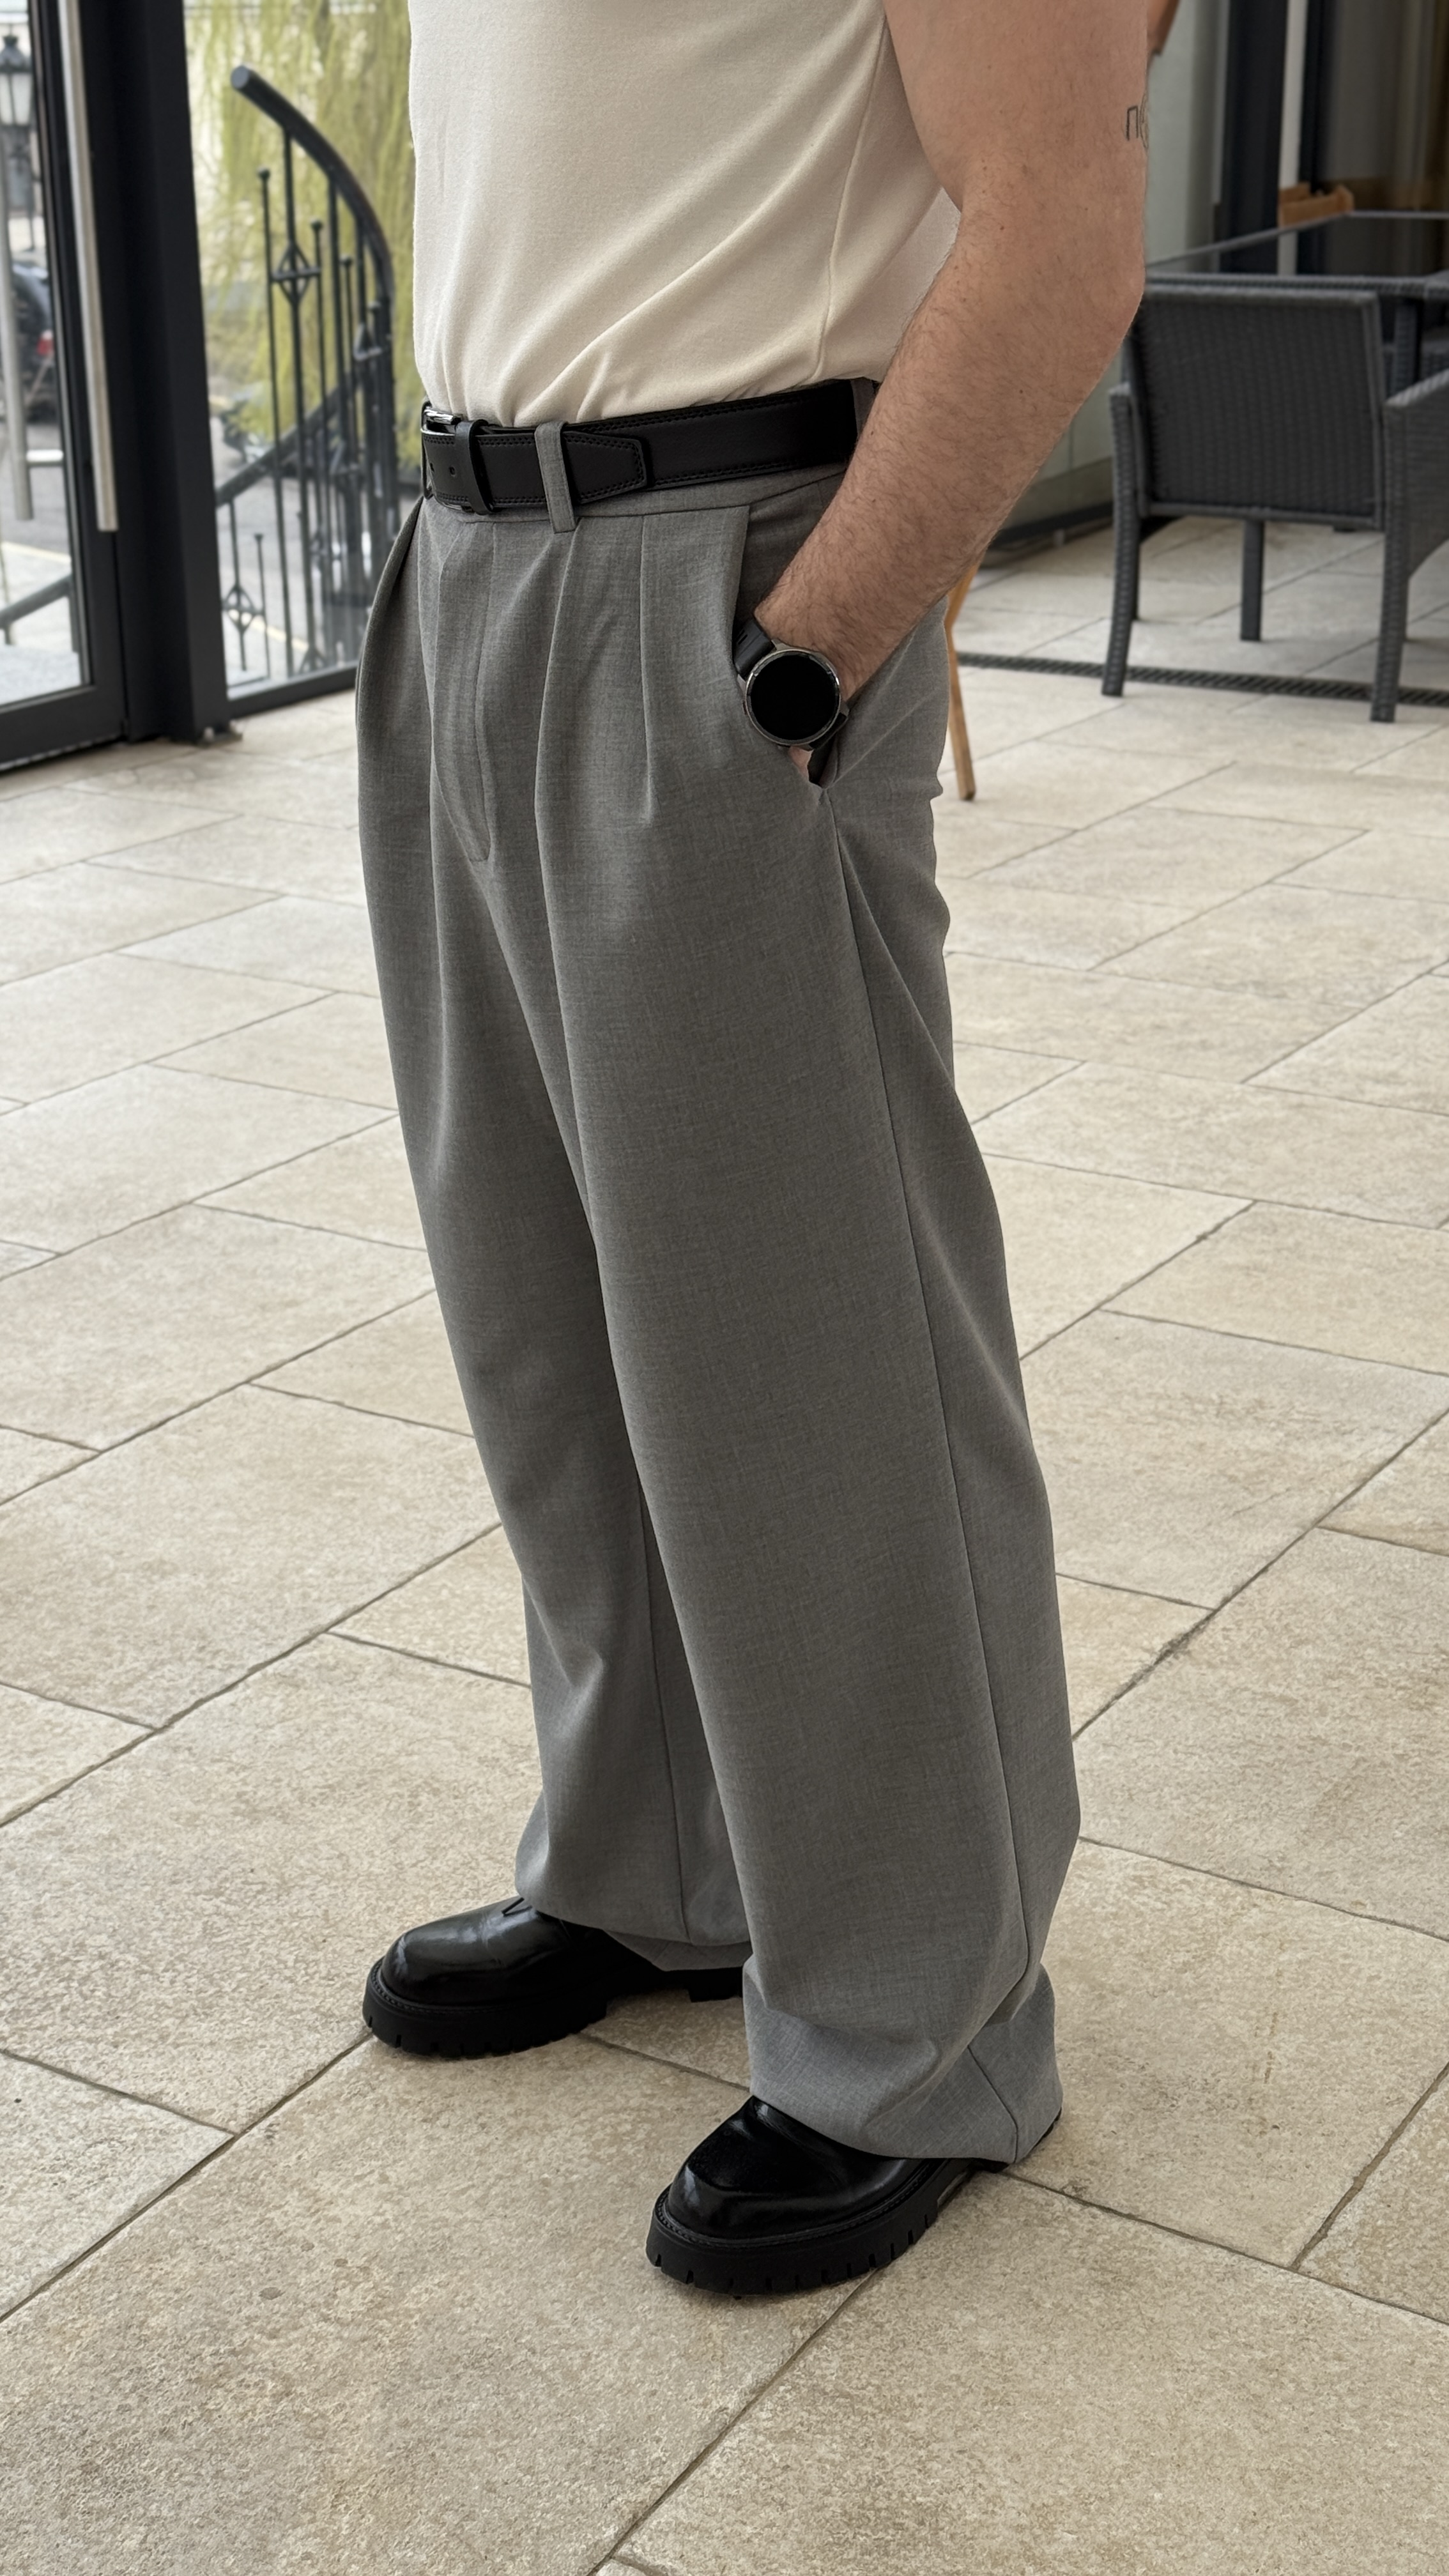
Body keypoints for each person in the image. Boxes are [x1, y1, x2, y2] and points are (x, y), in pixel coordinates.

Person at [358, 0, 1146, 2296]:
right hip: (471, 554)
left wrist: (805, 657)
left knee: (812, 1346)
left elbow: (1058, 223)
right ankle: (657, 1866)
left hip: (722, 571)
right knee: (547, 1316)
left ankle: (925, 2023)